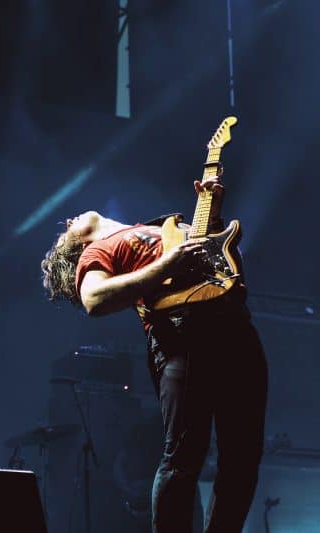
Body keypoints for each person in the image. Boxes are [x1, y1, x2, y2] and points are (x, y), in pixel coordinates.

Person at [41, 176, 268, 533]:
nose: (69, 221)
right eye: (66, 231)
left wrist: (215, 219)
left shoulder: (165, 230)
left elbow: (220, 263)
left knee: (243, 460)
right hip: (184, 334)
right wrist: (166, 265)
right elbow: (94, 299)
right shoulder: (97, 250)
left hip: (236, 329)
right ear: (77, 246)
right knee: (185, 456)